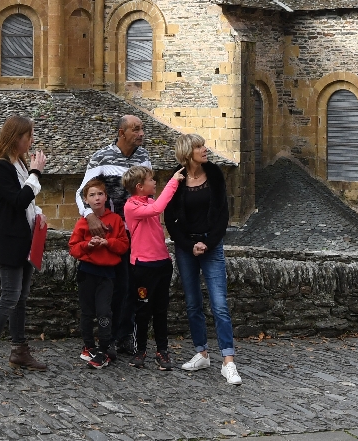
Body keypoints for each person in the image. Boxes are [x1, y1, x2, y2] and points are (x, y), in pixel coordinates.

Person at [164, 133, 242, 386]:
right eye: (199, 147)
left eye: (203, 145)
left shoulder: (215, 174)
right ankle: (201, 352)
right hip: (187, 248)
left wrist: (208, 243)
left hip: (211, 244)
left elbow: (222, 214)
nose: (204, 149)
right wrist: (189, 245)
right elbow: (170, 219)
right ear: (188, 153)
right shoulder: (177, 178)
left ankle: (228, 361)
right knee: (193, 303)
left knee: (219, 304)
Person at [0, 115, 48, 382]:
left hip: (24, 239)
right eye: (28, 136)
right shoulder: (0, 167)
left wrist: (38, 215)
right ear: (16, 137)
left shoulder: (16, 164)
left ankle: (19, 349)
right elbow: (18, 200)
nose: (30, 141)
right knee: (9, 297)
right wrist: (36, 172)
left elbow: (26, 204)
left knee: (21, 297)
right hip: (8, 242)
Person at [75, 115, 151, 355]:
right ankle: (101, 339)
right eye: (136, 129)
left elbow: (147, 194)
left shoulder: (143, 157)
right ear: (122, 133)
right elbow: (82, 192)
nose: (141, 133)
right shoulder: (102, 157)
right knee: (110, 287)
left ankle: (124, 336)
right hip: (110, 233)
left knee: (131, 287)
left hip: (136, 235)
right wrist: (90, 216)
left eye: (142, 129)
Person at [122, 164, 185, 370]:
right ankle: (140, 350)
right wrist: (173, 181)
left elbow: (157, 205)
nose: (154, 182)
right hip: (143, 267)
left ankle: (162, 350)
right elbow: (157, 209)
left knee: (160, 310)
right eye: (151, 180)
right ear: (140, 186)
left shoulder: (148, 201)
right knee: (143, 310)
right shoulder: (131, 206)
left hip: (162, 263)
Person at [69, 177, 129, 369]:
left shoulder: (115, 220)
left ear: (106, 197)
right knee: (87, 312)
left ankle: (105, 347)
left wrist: (107, 243)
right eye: (92, 195)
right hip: (87, 272)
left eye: (100, 194)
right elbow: (74, 248)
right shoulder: (82, 223)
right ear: (86, 200)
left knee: (104, 311)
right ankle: (88, 346)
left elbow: (123, 245)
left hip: (107, 274)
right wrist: (88, 245)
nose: (96, 198)